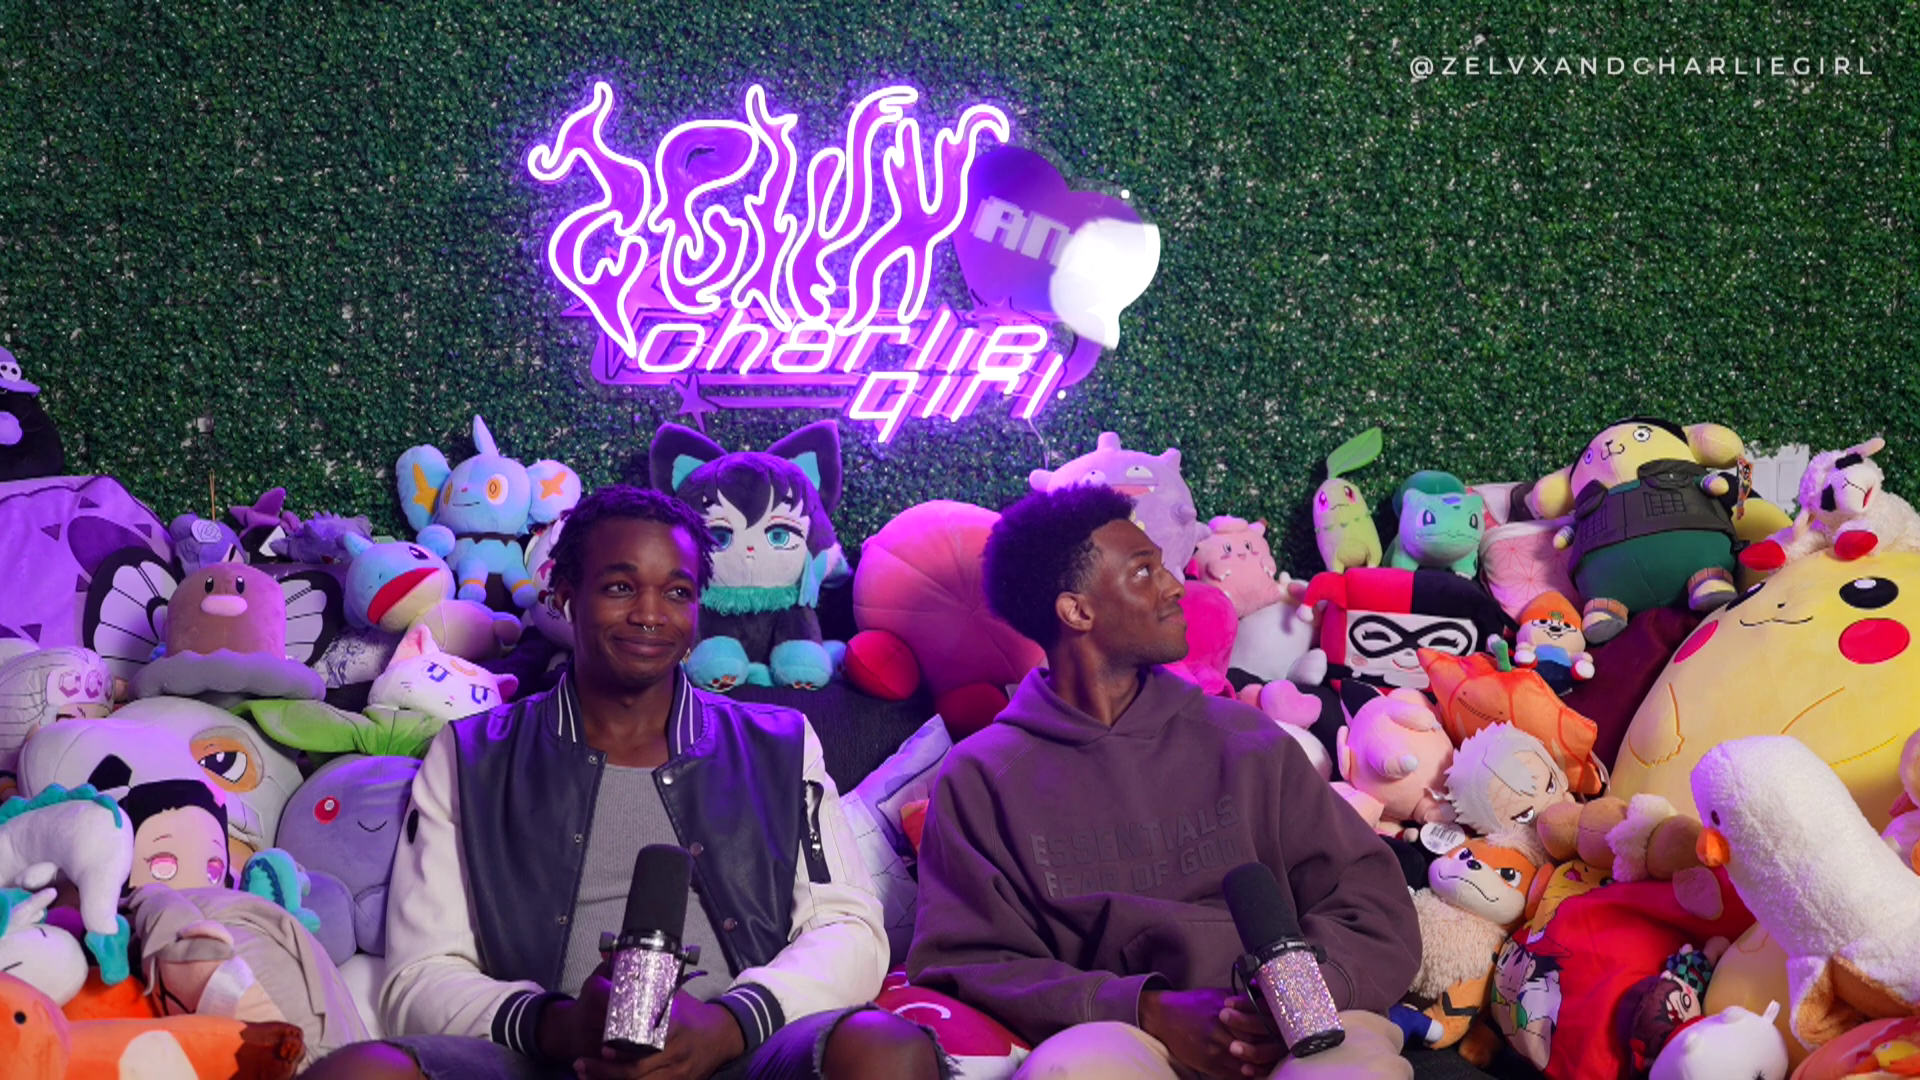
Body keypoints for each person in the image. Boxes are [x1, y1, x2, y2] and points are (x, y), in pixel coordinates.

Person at [306, 485, 938, 1080]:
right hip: (545, 1059)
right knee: (363, 1072)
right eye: (620, 586)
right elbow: (420, 975)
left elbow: (848, 929)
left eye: (677, 592)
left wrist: (729, 1024)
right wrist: (558, 1026)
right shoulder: (471, 755)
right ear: (565, 596)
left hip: (736, 1054)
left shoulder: (781, 744)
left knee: (885, 1049)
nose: (650, 614)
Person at [906, 484, 1435, 1080]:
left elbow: (1370, 903)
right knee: (1072, 1071)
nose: (1176, 586)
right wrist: (1146, 1009)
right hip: (1127, 1036)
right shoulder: (982, 778)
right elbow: (970, 962)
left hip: (1306, 1020)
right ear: (1077, 611)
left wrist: (1294, 1006)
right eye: (1143, 571)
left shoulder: (1248, 740)